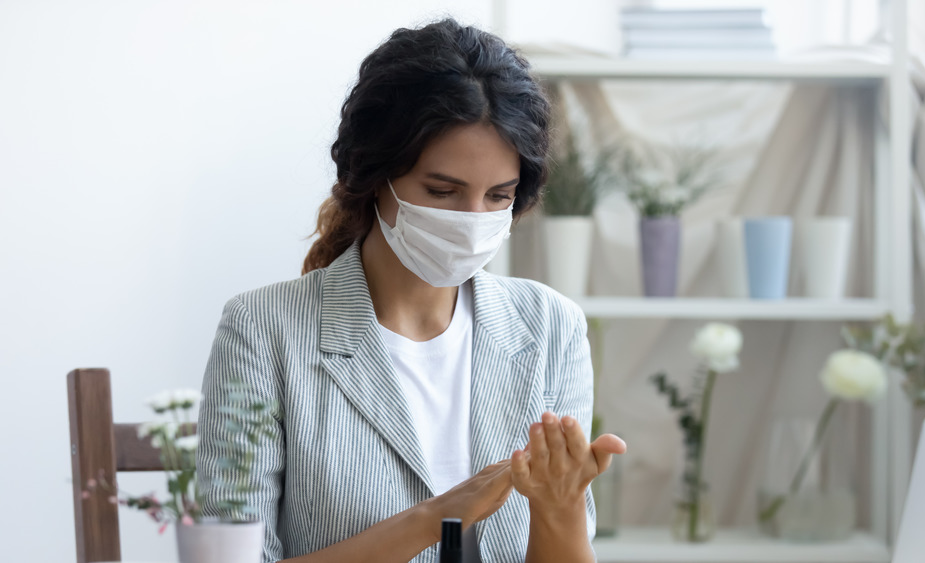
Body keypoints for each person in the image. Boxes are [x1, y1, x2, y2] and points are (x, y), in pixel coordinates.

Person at [196, 18, 626, 563]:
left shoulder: (549, 326)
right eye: (442, 191)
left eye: (499, 196)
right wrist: (439, 516)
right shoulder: (263, 329)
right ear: (374, 173)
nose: (472, 219)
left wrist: (560, 506)